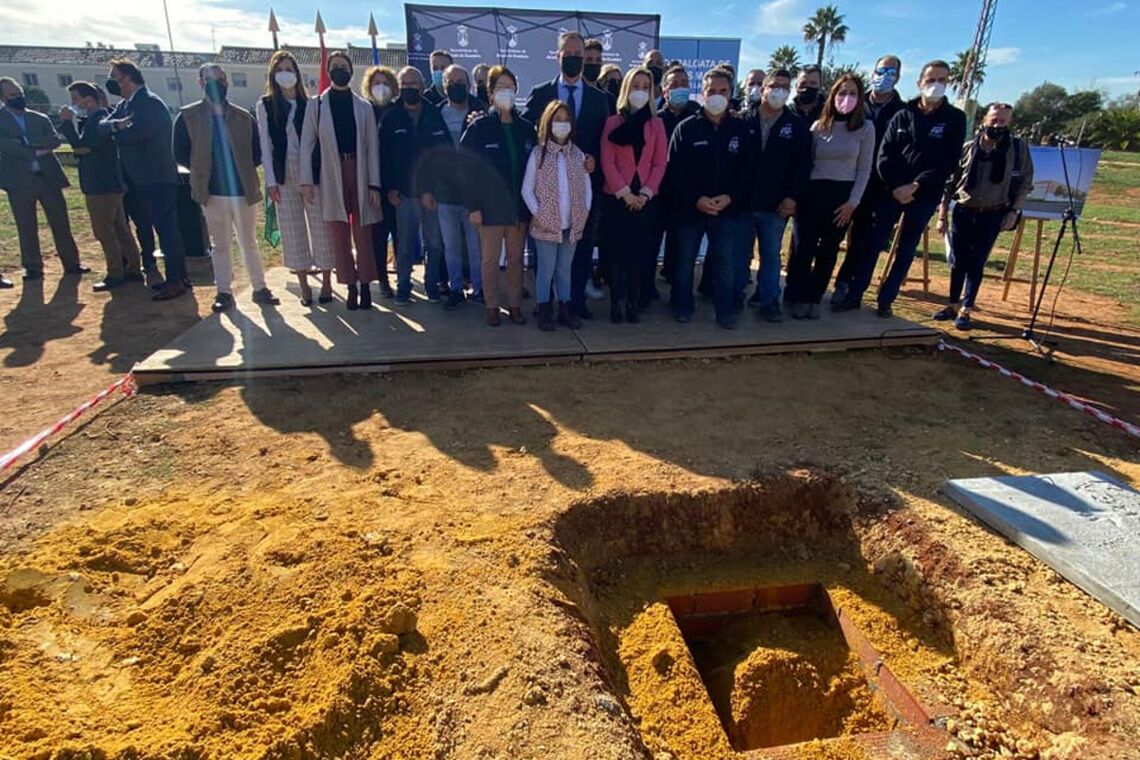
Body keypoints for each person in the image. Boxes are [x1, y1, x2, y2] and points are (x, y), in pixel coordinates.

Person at [866, 59, 966, 318]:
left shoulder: (955, 118)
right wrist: (897, 185)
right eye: (931, 79)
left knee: (906, 248)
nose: (936, 85)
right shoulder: (903, 113)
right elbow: (884, 155)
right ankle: (855, 293)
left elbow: (949, 160)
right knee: (873, 242)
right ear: (919, 82)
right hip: (891, 192)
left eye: (942, 80)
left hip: (924, 195)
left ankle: (886, 299)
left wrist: (916, 185)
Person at [173, 65, 277, 312]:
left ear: (226, 81)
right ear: (200, 82)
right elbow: (180, 153)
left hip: (242, 191)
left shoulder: (243, 117)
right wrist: (203, 172)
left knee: (248, 241)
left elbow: (256, 153)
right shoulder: (188, 116)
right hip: (211, 193)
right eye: (209, 79)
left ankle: (259, 287)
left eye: (219, 79)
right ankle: (224, 292)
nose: (215, 83)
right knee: (220, 244)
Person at [523, 31, 609, 320]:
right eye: (567, 53)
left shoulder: (600, 99)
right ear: (558, 56)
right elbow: (525, 133)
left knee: (580, 247)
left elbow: (602, 139)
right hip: (547, 191)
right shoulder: (540, 93)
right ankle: (543, 302)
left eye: (577, 55)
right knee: (545, 254)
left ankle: (574, 303)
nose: (572, 58)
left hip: (584, 187)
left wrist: (595, 159)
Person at [934, 102, 1032, 330]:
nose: (998, 125)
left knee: (977, 263)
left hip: (993, 213)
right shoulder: (968, 148)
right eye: (994, 120)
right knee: (957, 262)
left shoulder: (1017, 150)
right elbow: (949, 183)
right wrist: (942, 215)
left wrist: (1013, 211)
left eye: (1003, 121)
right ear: (984, 120)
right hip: (963, 211)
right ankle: (951, 304)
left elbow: (1025, 182)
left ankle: (967, 309)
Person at [668, 68, 753, 329]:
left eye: (723, 91)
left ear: (731, 93)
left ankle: (724, 310)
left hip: (727, 211)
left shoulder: (742, 129)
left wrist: (730, 197)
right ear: (703, 94)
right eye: (711, 91)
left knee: (725, 265)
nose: (717, 96)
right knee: (684, 263)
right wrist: (697, 199)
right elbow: (675, 172)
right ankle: (683, 305)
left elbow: (748, 171)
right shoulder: (686, 129)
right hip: (691, 210)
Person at [785, 74, 874, 320]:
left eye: (852, 93)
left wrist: (852, 203)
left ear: (860, 98)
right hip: (812, 194)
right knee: (803, 248)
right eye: (842, 93)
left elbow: (865, 169)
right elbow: (806, 163)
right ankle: (798, 296)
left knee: (828, 250)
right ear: (833, 96)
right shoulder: (818, 126)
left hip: (842, 197)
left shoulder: (866, 129)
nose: (846, 98)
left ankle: (815, 297)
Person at [300, 51, 382, 311]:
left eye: (343, 66)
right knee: (339, 234)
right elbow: (306, 144)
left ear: (351, 70)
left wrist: (374, 184)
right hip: (331, 172)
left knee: (363, 232)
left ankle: (367, 284)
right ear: (327, 71)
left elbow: (372, 148)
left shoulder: (364, 106)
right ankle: (350, 286)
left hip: (359, 168)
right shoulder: (317, 105)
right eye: (334, 66)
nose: (339, 70)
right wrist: (306, 181)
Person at [100, 58, 189, 300]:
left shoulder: (148, 103)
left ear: (127, 78)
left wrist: (116, 130)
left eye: (116, 78)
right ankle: (179, 278)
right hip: (141, 179)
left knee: (167, 231)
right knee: (165, 230)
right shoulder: (125, 105)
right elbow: (101, 126)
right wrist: (118, 126)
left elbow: (136, 134)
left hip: (157, 178)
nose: (112, 82)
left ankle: (176, 280)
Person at [258, 50, 335, 307]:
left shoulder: (311, 104)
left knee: (321, 229)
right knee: (293, 231)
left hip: (311, 176)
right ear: (273, 75)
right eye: (280, 70)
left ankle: (326, 281)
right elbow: (265, 145)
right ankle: (303, 284)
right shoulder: (265, 105)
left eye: (290, 69)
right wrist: (271, 182)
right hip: (283, 175)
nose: (285, 75)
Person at [460, 66, 536, 327]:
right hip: (488, 209)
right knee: (490, 260)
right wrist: (473, 206)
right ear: (491, 94)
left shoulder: (527, 128)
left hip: (518, 209)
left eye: (510, 88)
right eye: (500, 88)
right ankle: (492, 306)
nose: (506, 93)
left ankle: (514, 305)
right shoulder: (479, 127)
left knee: (516, 261)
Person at [832, 54, 905, 309]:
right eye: (881, 70)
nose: (884, 76)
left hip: (881, 190)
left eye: (891, 72)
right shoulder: (856, 106)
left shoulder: (903, 112)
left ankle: (855, 293)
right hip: (847, 185)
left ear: (898, 77)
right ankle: (840, 284)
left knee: (870, 243)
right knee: (842, 239)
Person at [741, 69, 811, 322]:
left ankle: (770, 300)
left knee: (770, 255)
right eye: (774, 86)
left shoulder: (796, 126)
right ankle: (736, 296)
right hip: (743, 203)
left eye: (784, 86)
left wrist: (792, 198)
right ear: (763, 90)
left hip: (775, 206)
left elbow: (803, 167)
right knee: (740, 255)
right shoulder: (743, 120)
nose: (778, 91)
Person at [0, 77, 85, 283]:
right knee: (26, 226)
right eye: (13, 95)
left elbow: (54, 140)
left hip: (47, 178)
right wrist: (36, 151)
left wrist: (26, 144)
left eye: (20, 93)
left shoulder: (39, 118)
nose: (19, 97)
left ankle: (72, 263)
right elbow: (5, 146)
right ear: (3, 98)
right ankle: (33, 267)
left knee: (61, 222)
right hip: (19, 182)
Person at [379, 66, 451, 306]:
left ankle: (431, 287)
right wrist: (389, 188)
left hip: (431, 194)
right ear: (400, 88)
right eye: (405, 85)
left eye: (414, 85)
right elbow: (384, 157)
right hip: (403, 194)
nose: (410, 88)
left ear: (422, 87)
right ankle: (404, 288)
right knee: (405, 245)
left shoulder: (434, 114)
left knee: (435, 244)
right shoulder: (391, 117)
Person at [600, 68, 667, 323]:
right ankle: (616, 303)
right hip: (618, 199)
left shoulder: (656, 124)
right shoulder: (612, 123)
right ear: (627, 89)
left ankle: (632, 302)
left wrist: (646, 193)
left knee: (638, 255)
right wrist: (625, 194)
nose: (640, 90)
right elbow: (608, 162)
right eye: (635, 85)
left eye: (645, 86)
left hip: (645, 201)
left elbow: (660, 162)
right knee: (618, 254)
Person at [59, 81, 141, 291]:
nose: (72, 104)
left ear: (88, 99)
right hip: (111, 184)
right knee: (121, 229)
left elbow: (81, 147)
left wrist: (67, 123)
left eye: (75, 99)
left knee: (104, 231)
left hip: (101, 187)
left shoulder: (98, 118)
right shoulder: (96, 118)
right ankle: (133, 268)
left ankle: (116, 273)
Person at [522, 100, 592, 331]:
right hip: (545, 226)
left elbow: (586, 188)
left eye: (565, 120)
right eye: (557, 120)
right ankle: (544, 309)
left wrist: (583, 212)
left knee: (564, 270)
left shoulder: (578, 155)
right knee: (546, 270)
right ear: (548, 123)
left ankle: (565, 308)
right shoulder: (539, 154)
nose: (561, 124)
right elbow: (527, 190)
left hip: (570, 225)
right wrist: (539, 214)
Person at [432, 63, 484, 309]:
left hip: (473, 194)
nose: (455, 87)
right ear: (444, 87)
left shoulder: (481, 111)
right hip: (444, 193)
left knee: (476, 247)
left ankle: (479, 288)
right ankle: (455, 289)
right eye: (450, 83)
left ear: (469, 84)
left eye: (460, 82)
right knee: (451, 246)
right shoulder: (436, 114)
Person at [657, 65, 700, 287]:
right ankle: (646, 289)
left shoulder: (697, 118)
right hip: (658, 192)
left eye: (684, 84)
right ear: (664, 91)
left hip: (685, 194)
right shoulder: (656, 119)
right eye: (674, 85)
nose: (680, 88)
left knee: (680, 247)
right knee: (652, 242)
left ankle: (677, 288)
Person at [362, 65, 399, 298]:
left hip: (397, 185)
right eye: (376, 83)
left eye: (385, 83)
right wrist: (371, 184)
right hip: (373, 184)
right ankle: (382, 279)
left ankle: (402, 276)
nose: (381, 88)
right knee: (377, 235)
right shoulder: (365, 112)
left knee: (399, 234)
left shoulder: (399, 111)